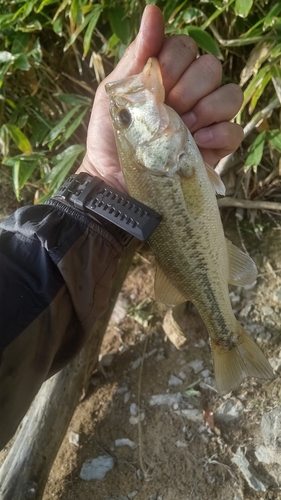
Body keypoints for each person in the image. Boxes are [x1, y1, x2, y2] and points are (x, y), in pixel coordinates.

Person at [0, 5, 244, 449]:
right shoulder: (170, 158)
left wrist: (98, 181)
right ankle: (225, 336)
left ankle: (225, 334)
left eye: (125, 120)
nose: (128, 112)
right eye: (128, 120)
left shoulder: (167, 154)